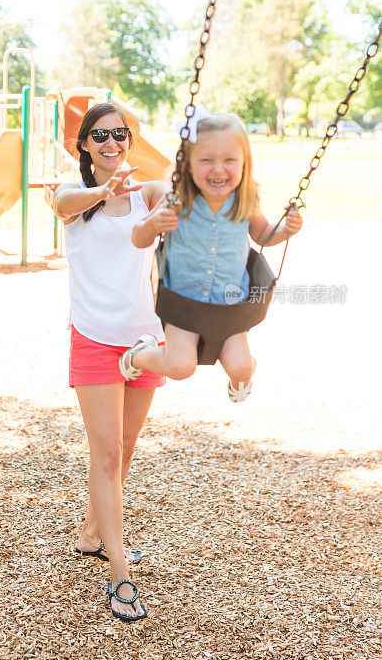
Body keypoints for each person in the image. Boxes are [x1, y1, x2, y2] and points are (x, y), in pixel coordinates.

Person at [49, 102, 168, 622]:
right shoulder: (75, 197)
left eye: (120, 134)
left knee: (124, 447)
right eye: (100, 136)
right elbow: (62, 204)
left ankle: (93, 532)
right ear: (85, 146)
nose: (111, 143)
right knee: (105, 456)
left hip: (145, 340)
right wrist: (105, 191)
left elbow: (174, 193)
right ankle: (119, 570)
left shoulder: (147, 196)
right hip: (94, 338)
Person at [119, 108, 303, 402]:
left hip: (230, 304)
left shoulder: (245, 200)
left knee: (242, 367)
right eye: (206, 160)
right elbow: (139, 237)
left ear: (244, 163)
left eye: (229, 160)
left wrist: (285, 229)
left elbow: (263, 236)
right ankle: (141, 354)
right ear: (188, 165)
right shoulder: (177, 200)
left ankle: (239, 379)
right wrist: (154, 224)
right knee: (180, 367)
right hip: (183, 303)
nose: (218, 170)